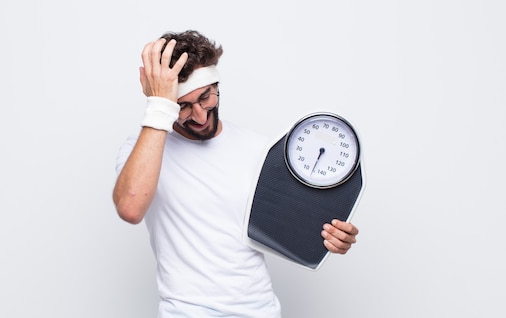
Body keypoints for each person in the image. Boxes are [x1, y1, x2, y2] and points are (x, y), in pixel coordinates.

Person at [112, 30, 359, 317]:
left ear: (216, 85)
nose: (201, 116)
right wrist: (159, 107)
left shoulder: (261, 150)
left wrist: (332, 238)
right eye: (183, 107)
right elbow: (130, 207)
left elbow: (293, 226)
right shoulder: (143, 150)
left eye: (206, 97)